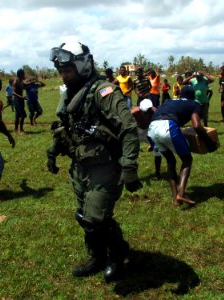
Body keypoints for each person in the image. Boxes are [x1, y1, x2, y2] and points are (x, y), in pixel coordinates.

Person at [47, 41, 142, 282]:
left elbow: (129, 127)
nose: (64, 76)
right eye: (61, 71)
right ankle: (97, 256)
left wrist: (129, 165)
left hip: (106, 165)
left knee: (95, 218)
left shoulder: (103, 91)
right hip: (80, 166)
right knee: (84, 216)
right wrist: (53, 150)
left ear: (82, 66)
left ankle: (117, 255)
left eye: (68, 71)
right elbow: (65, 127)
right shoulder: (71, 94)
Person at [148, 86, 218, 206]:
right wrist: (210, 143)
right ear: (193, 96)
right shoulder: (193, 104)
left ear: (180, 95)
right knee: (187, 159)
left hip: (151, 129)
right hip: (167, 126)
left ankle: (176, 199)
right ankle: (181, 192)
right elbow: (196, 125)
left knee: (170, 161)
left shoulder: (169, 101)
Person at [130, 99, 162, 178]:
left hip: (148, 131)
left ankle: (157, 173)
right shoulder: (134, 111)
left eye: (148, 111)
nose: (146, 114)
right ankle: (130, 173)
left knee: (157, 150)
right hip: (137, 130)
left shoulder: (155, 112)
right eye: (144, 112)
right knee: (131, 151)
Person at [12, 69, 27, 134]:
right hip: (17, 100)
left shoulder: (21, 80)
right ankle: (21, 130)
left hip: (21, 100)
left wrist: (32, 83)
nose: (24, 74)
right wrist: (22, 97)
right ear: (20, 74)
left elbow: (24, 86)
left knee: (17, 115)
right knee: (23, 115)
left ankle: (15, 130)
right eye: (23, 73)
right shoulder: (16, 81)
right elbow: (13, 92)